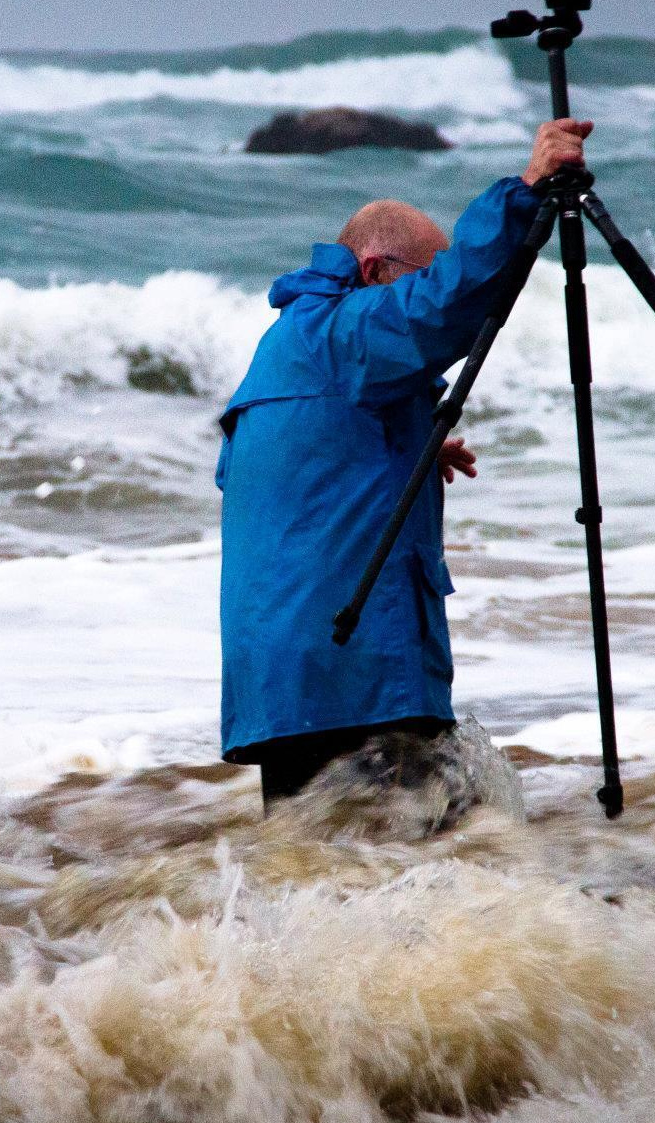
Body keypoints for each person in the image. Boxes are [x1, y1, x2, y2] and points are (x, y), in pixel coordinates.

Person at [216, 118, 593, 800]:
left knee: (326, 882)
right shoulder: (342, 331)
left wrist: (389, 443)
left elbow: (256, 473)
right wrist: (526, 191)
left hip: (290, 682)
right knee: (426, 871)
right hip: (355, 672)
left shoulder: (291, 349)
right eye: (411, 277)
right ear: (373, 271)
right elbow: (443, 303)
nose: (415, 291)